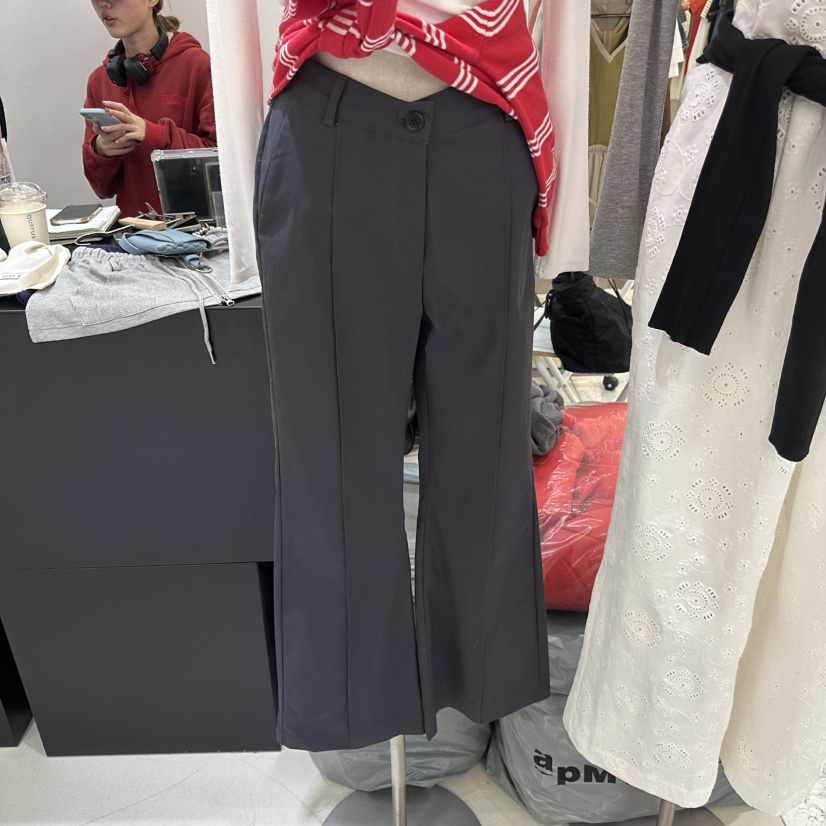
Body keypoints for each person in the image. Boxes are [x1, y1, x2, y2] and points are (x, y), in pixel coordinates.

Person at [83, 0, 216, 218]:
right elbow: (102, 189)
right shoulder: (100, 81)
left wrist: (153, 135)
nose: (103, 4)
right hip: (132, 233)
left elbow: (220, 164)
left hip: (192, 232)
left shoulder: (198, 66)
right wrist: (100, 151)